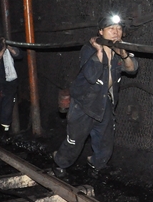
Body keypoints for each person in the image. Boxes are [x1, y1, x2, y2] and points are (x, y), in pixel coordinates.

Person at [52, 14, 138, 177]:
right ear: (100, 31)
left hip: (105, 102)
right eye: (111, 28)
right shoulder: (89, 49)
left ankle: (96, 164)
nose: (116, 32)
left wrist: (124, 54)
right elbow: (91, 76)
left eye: (119, 29)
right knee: (75, 140)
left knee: (105, 142)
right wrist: (100, 51)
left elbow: (132, 69)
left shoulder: (120, 50)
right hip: (84, 103)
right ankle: (60, 163)